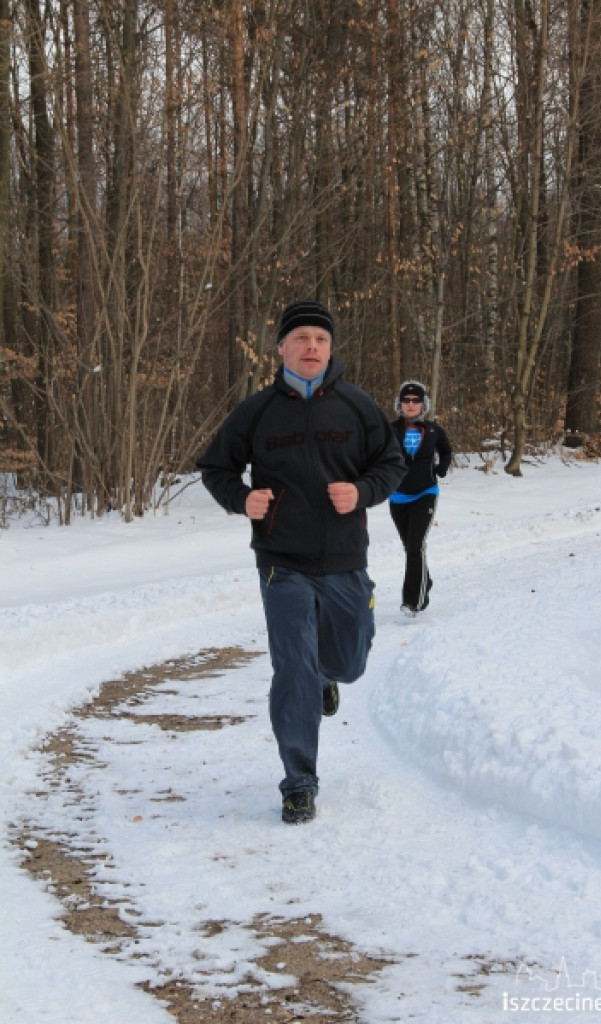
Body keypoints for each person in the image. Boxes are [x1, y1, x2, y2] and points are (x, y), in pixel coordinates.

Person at [196, 300, 405, 824]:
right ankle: (299, 783)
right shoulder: (258, 411)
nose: (312, 347)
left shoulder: (357, 406)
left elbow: (392, 464)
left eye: (321, 339)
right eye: (302, 338)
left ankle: (327, 675)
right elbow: (215, 467)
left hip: (345, 559)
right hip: (281, 562)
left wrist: (361, 492)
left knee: (350, 662)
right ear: (282, 348)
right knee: (292, 669)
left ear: (330, 350)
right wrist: (242, 499)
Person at [389, 380, 452, 617]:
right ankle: (425, 579)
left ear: (423, 404)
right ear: (400, 404)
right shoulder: (390, 431)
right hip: (397, 496)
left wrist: (441, 467)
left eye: (416, 400)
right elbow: (375, 454)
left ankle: (413, 601)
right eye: (406, 400)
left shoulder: (434, 431)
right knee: (410, 547)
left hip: (425, 493)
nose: (411, 404)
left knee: (416, 546)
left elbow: (446, 450)